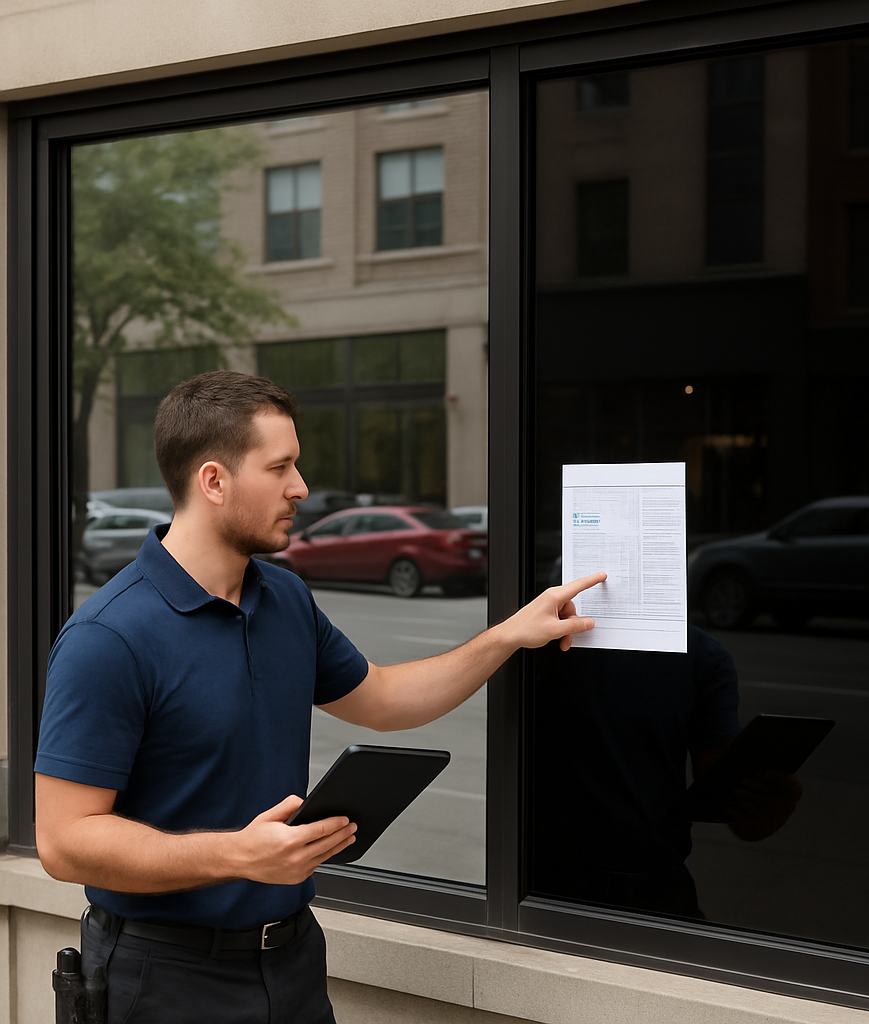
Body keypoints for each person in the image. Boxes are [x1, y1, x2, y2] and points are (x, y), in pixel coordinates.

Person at [34, 370, 606, 1024]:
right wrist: (235, 854)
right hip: (164, 978)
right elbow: (62, 840)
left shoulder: (285, 598)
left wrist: (506, 636)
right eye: (280, 467)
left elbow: (383, 698)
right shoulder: (109, 637)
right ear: (214, 482)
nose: (300, 488)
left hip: (294, 961)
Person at [530, 629, 802, 918]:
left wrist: (766, 799)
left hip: (640, 881)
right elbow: (736, 811)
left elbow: (734, 807)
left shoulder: (699, 653)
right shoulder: (541, 640)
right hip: (560, 878)